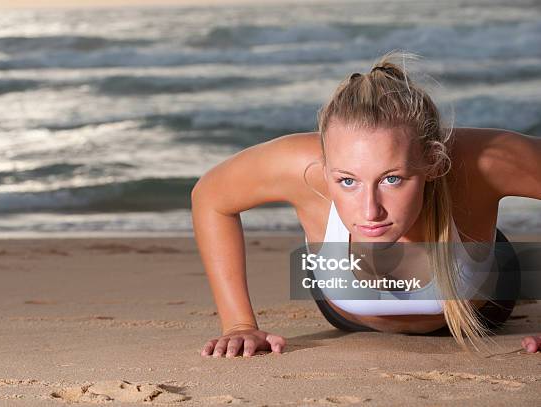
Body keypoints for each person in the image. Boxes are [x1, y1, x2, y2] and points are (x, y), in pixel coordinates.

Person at [191, 50, 541, 358]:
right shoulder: (302, 167)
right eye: (347, 181)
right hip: (348, 314)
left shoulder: (484, 161)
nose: (370, 210)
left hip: (482, 303)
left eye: (392, 179)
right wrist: (239, 324)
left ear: (432, 162)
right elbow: (210, 196)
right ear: (325, 170)